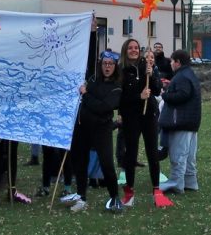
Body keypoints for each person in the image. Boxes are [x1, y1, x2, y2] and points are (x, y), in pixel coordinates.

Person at [61, 49, 123, 213]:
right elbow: (88, 50)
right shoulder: (93, 79)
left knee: (107, 163)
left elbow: (104, 107)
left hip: (102, 129)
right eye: (104, 64)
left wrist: (87, 95)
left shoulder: (117, 87)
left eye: (110, 64)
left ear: (115, 66)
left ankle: (114, 196)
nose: (107, 67)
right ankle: (81, 195)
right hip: (82, 127)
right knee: (80, 161)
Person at [117, 39, 172, 208]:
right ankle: (129, 192)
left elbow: (156, 90)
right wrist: (138, 97)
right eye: (130, 48)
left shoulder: (146, 65)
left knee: (152, 152)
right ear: (125, 51)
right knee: (130, 154)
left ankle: (156, 190)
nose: (134, 50)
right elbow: (120, 98)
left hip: (149, 115)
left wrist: (152, 75)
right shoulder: (121, 71)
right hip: (131, 117)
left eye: (136, 48)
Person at [158, 49, 201, 193]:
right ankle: (190, 182)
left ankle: (176, 183)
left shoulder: (182, 76)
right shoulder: (190, 74)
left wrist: (166, 94)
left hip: (180, 122)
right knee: (189, 156)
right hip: (191, 121)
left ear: (178, 62)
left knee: (178, 154)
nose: (170, 64)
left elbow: (182, 94)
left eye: (172, 61)